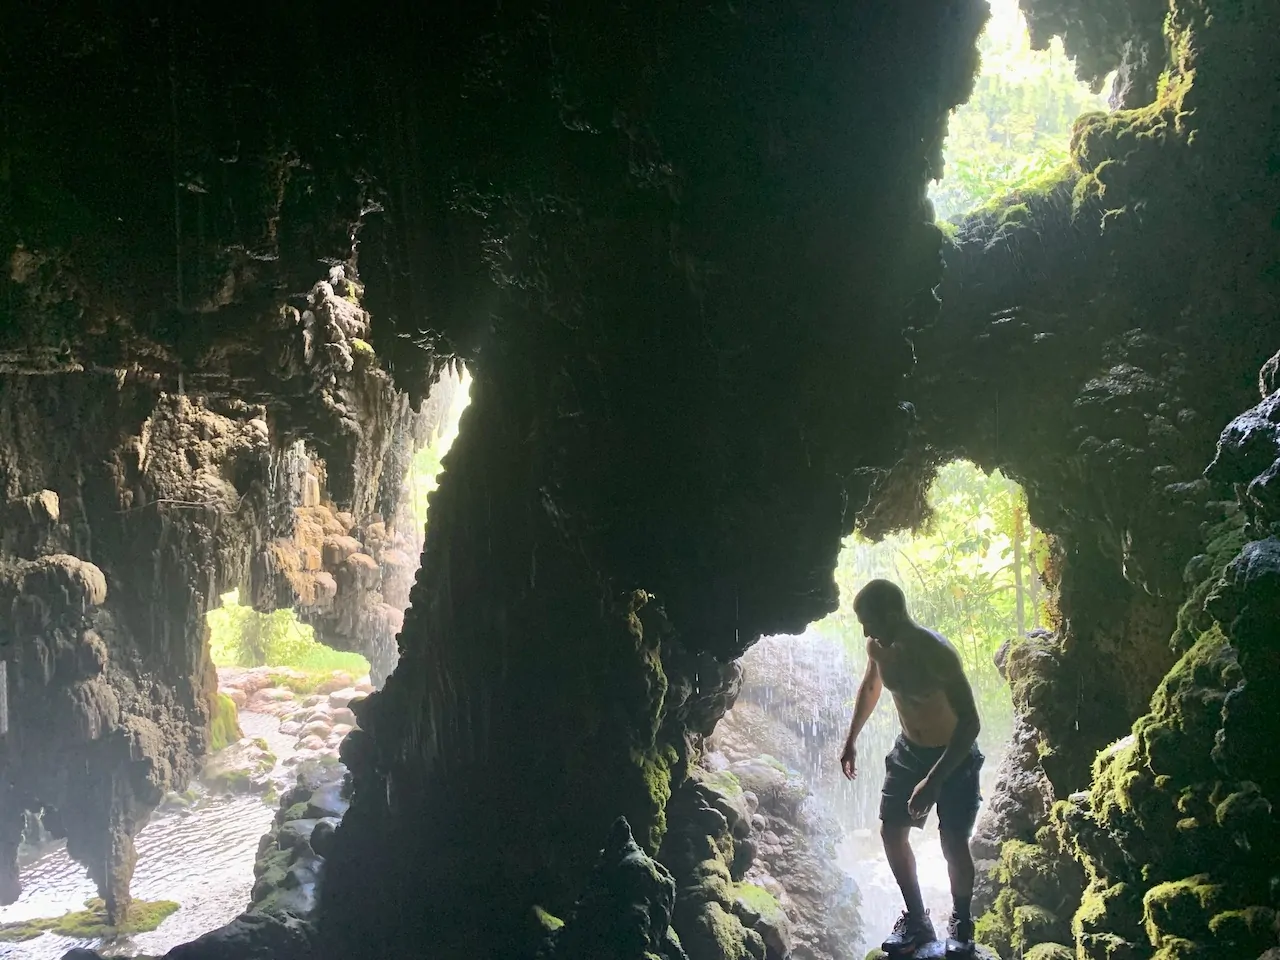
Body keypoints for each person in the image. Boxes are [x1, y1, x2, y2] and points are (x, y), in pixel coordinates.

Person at [839, 579, 983, 958]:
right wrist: (851, 739)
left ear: (893, 614)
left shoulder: (937, 653)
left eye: (869, 621)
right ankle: (918, 920)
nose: (866, 632)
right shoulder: (877, 646)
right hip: (908, 750)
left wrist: (935, 781)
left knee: (952, 842)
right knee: (891, 832)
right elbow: (870, 687)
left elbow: (970, 722)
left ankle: (962, 922)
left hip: (954, 753)